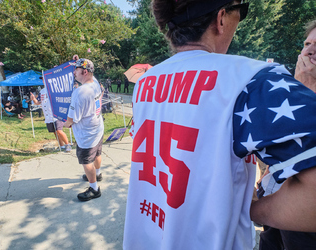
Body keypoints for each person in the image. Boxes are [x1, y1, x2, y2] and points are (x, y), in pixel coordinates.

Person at [123, 1, 316, 249]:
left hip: (148, 235)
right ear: (221, 18)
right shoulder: (252, 79)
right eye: (242, 11)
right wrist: (250, 208)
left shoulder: (145, 82)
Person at [258, 19, 316, 250]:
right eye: (307, 43)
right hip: (277, 201)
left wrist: (307, 94)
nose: (310, 49)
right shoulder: (291, 89)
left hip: (306, 218)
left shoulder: (303, 91)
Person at [65, 58, 104, 202]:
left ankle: (94, 189)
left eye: (76, 70)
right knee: (97, 153)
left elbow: (72, 119)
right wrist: (79, 60)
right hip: (97, 127)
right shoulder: (95, 82)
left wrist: (65, 124)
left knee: (87, 161)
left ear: (85, 71)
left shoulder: (79, 92)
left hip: (86, 134)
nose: (74, 73)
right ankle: (98, 174)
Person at [30, 88, 71, 152]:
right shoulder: (42, 91)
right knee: (55, 132)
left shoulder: (55, 89)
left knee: (59, 130)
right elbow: (38, 102)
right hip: (48, 116)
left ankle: (67, 144)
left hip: (56, 115)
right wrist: (33, 99)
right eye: (42, 79)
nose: (44, 80)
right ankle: (61, 146)